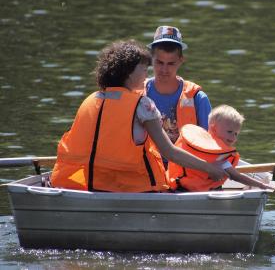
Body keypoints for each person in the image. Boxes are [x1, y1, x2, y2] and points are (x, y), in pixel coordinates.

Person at [50, 40, 226, 193]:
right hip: (134, 187)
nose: (146, 75)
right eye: (143, 69)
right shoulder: (143, 104)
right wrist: (209, 168)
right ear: (128, 73)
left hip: (90, 183)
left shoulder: (91, 99)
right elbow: (169, 152)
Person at [167, 105, 275, 192]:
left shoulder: (194, 144)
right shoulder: (221, 155)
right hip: (203, 192)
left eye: (236, 134)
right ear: (213, 129)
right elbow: (236, 176)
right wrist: (261, 185)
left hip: (179, 188)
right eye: (229, 132)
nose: (233, 137)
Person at [145, 25, 211, 144]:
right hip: (146, 161)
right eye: (159, 62)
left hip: (184, 162)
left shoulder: (198, 98)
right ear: (150, 59)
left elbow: (210, 143)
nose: (164, 70)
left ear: (181, 61)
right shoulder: (138, 94)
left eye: (171, 64)